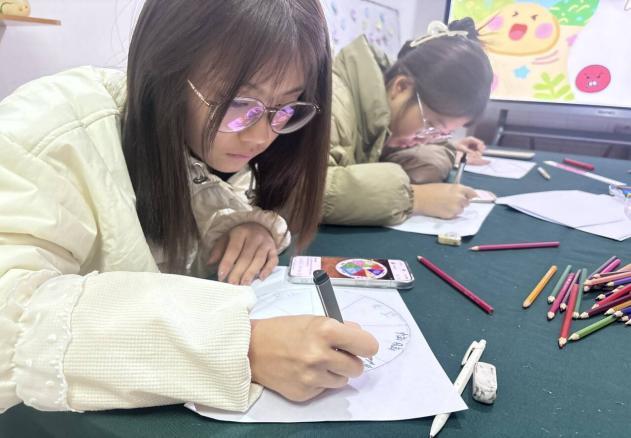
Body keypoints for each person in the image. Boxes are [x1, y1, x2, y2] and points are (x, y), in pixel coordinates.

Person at [0, 0, 378, 414]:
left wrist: (247, 224)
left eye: (286, 107)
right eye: (239, 103)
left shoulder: (198, 136)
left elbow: (213, 195)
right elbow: (12, 327)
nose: (261, 136)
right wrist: (240, 346)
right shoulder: (48, 131)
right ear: (167, 64)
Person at [324, 19, 494, 225]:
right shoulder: (332, 104)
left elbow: (437, 151)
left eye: (442, 132)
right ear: (402, 87)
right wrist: (415, 198)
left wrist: (452, 148)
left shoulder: (386, 114)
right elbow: (303, 190)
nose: (425, 139)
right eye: (431, 125)